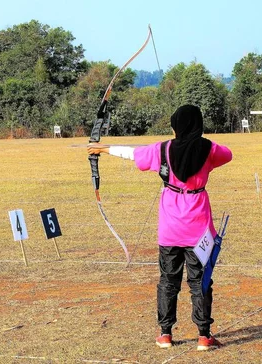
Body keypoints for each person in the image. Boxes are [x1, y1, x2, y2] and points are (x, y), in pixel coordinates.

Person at [87, 104, 232, 351]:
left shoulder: (162, 149)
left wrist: (102, 148)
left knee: (168, 281)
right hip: (198, 229)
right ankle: (203, 336)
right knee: (201, 281)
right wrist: (201, 145)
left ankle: (165, 334)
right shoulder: (209, 150)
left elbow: (133, 154)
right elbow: (227, 154)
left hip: (170, 229)